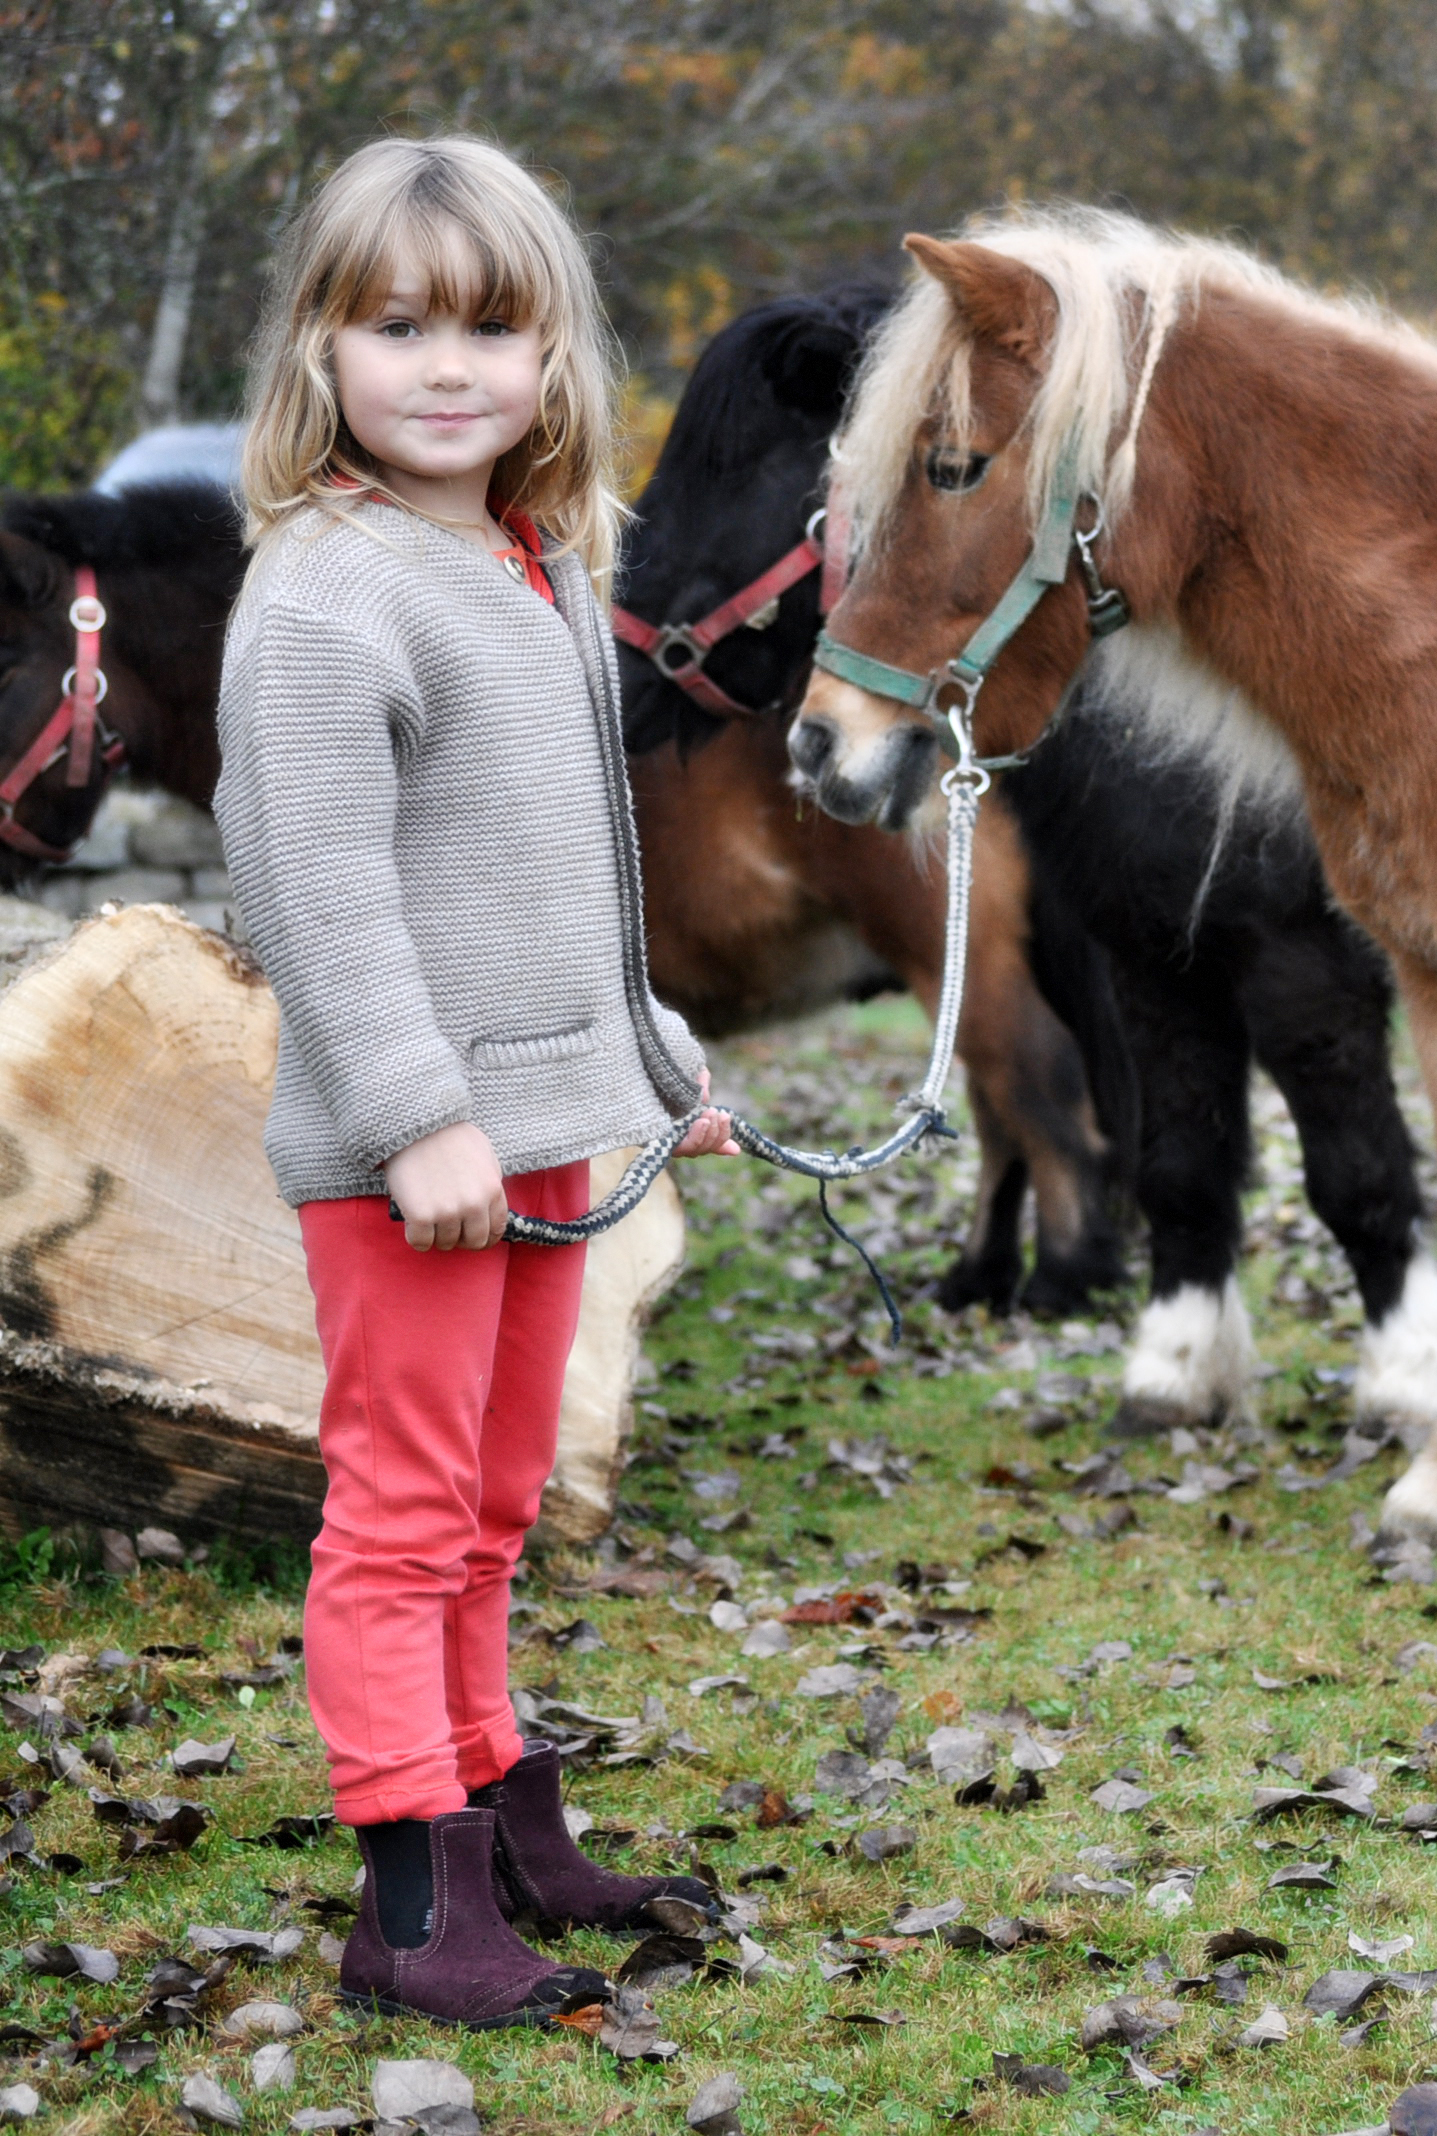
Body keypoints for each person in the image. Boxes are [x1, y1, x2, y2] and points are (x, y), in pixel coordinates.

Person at [215, 134, 738, 2029]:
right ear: (322, 355)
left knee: (501, 1495)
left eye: (492, 331)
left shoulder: (532, 567)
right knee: (404, 1510)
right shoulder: (328, 591)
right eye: (399, 325)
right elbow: (312, 889)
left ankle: (504, 1812)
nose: (449, 369)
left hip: (546, 1126)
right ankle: (408, 1897)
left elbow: (570, 872)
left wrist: (655, 1057)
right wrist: (418, 1112)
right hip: (411, 1150)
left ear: (553, 364)